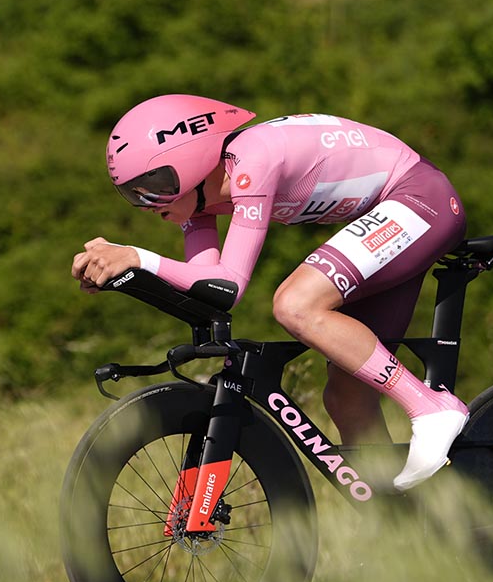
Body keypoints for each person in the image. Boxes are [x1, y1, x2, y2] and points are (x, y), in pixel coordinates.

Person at [71, 94, 468, 491]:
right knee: (348, 398)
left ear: (190, 162)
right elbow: (205, 287)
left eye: (152, 187)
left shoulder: (253, 160)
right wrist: (124, 277)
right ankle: (401, 523)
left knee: (295, 304)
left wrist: (136, 257)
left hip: (419, 197)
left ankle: (431, 407)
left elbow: (229, 286)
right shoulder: (198, 202)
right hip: (389, 215)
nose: (146, 204)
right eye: (132, 194)